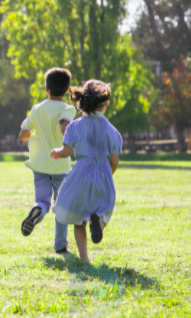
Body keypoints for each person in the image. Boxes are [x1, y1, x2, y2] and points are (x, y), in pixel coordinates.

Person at [50, 80, 122, 263]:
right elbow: (114, 160)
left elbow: (65, 152)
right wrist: (107, 175)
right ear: (104, 104)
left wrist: (55, 152)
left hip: (81, 172)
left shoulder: (74, 126)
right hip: (103, 172)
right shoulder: (113, 131)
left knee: (78, 218)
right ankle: (98, 223)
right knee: (104, 209)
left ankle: (84, 260)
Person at [18, 68, 77, 254]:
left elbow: (22, 135)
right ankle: (60, 245)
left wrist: (37, 133)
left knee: (42, 200)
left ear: (46, 89)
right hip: (60, 164)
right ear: (68, 90)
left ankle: (37, 210)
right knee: (61, 205)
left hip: (39, 164)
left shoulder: (37, 108)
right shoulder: (68, 108)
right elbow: (64, 127)